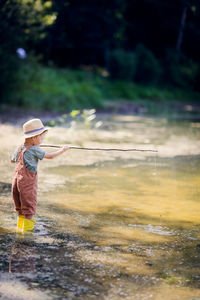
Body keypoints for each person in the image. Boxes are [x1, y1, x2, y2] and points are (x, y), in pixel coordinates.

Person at [11, 118, 69, 233]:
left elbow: (12, 161)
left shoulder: (19, 148)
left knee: (20, 208)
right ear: (34, 137)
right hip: (27, 183)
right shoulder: (34, 149)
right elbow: (50, 156)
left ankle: (19, 230)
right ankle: (26, 235)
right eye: (41, 138)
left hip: (16, 181)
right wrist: (63, 150)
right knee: (29, 209)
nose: (42, 140)